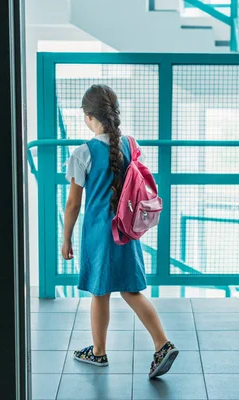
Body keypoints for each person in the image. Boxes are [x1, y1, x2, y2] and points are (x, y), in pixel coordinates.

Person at [61, 84, 179, 378]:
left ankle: (98, 353)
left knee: (99, 293)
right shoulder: (127, 144)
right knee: (131, 290)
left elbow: (73, 204)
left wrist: (66, 238)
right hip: (125, 229)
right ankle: (162, 343)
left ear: (88, 116)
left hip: (99, 233)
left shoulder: (82, 153)